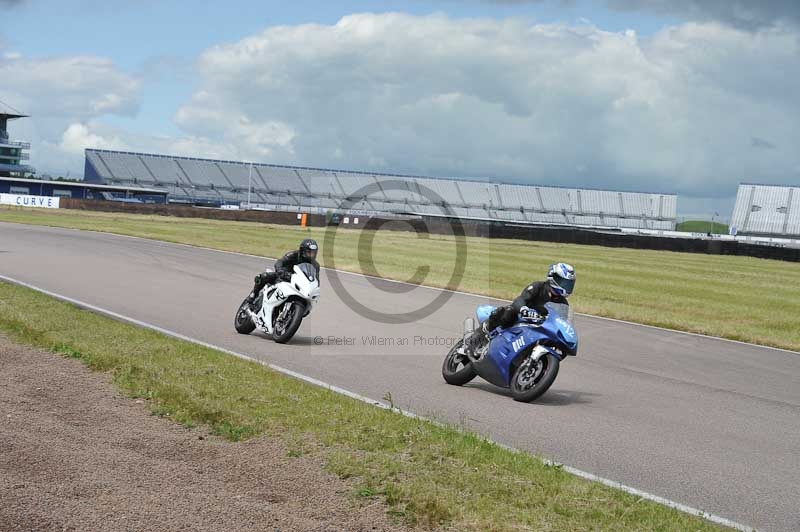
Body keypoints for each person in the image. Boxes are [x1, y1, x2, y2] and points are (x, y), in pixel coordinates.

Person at [467, 263, 576, 356]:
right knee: (509, 311)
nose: (566, 287)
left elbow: (561, 321)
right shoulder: (538, 286)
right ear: (553, 277)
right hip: (521, 317)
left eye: (569, 284)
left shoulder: (563, 304)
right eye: (564, 283)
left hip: (539, 326)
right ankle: (480, 335)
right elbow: (521, 299)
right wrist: (523, 309)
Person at [247, 238, 320, 307]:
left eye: (313, 253)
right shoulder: (293, 255)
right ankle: (254, 294)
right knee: (264, 276)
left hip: (298, 284)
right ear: (302, 251)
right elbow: (279, 263)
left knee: (308, 304)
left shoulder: (315, 266)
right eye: (309, 253)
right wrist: (282, 272)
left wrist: (315, 288)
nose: (311, 255)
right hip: (284, 277)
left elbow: (316, 280)